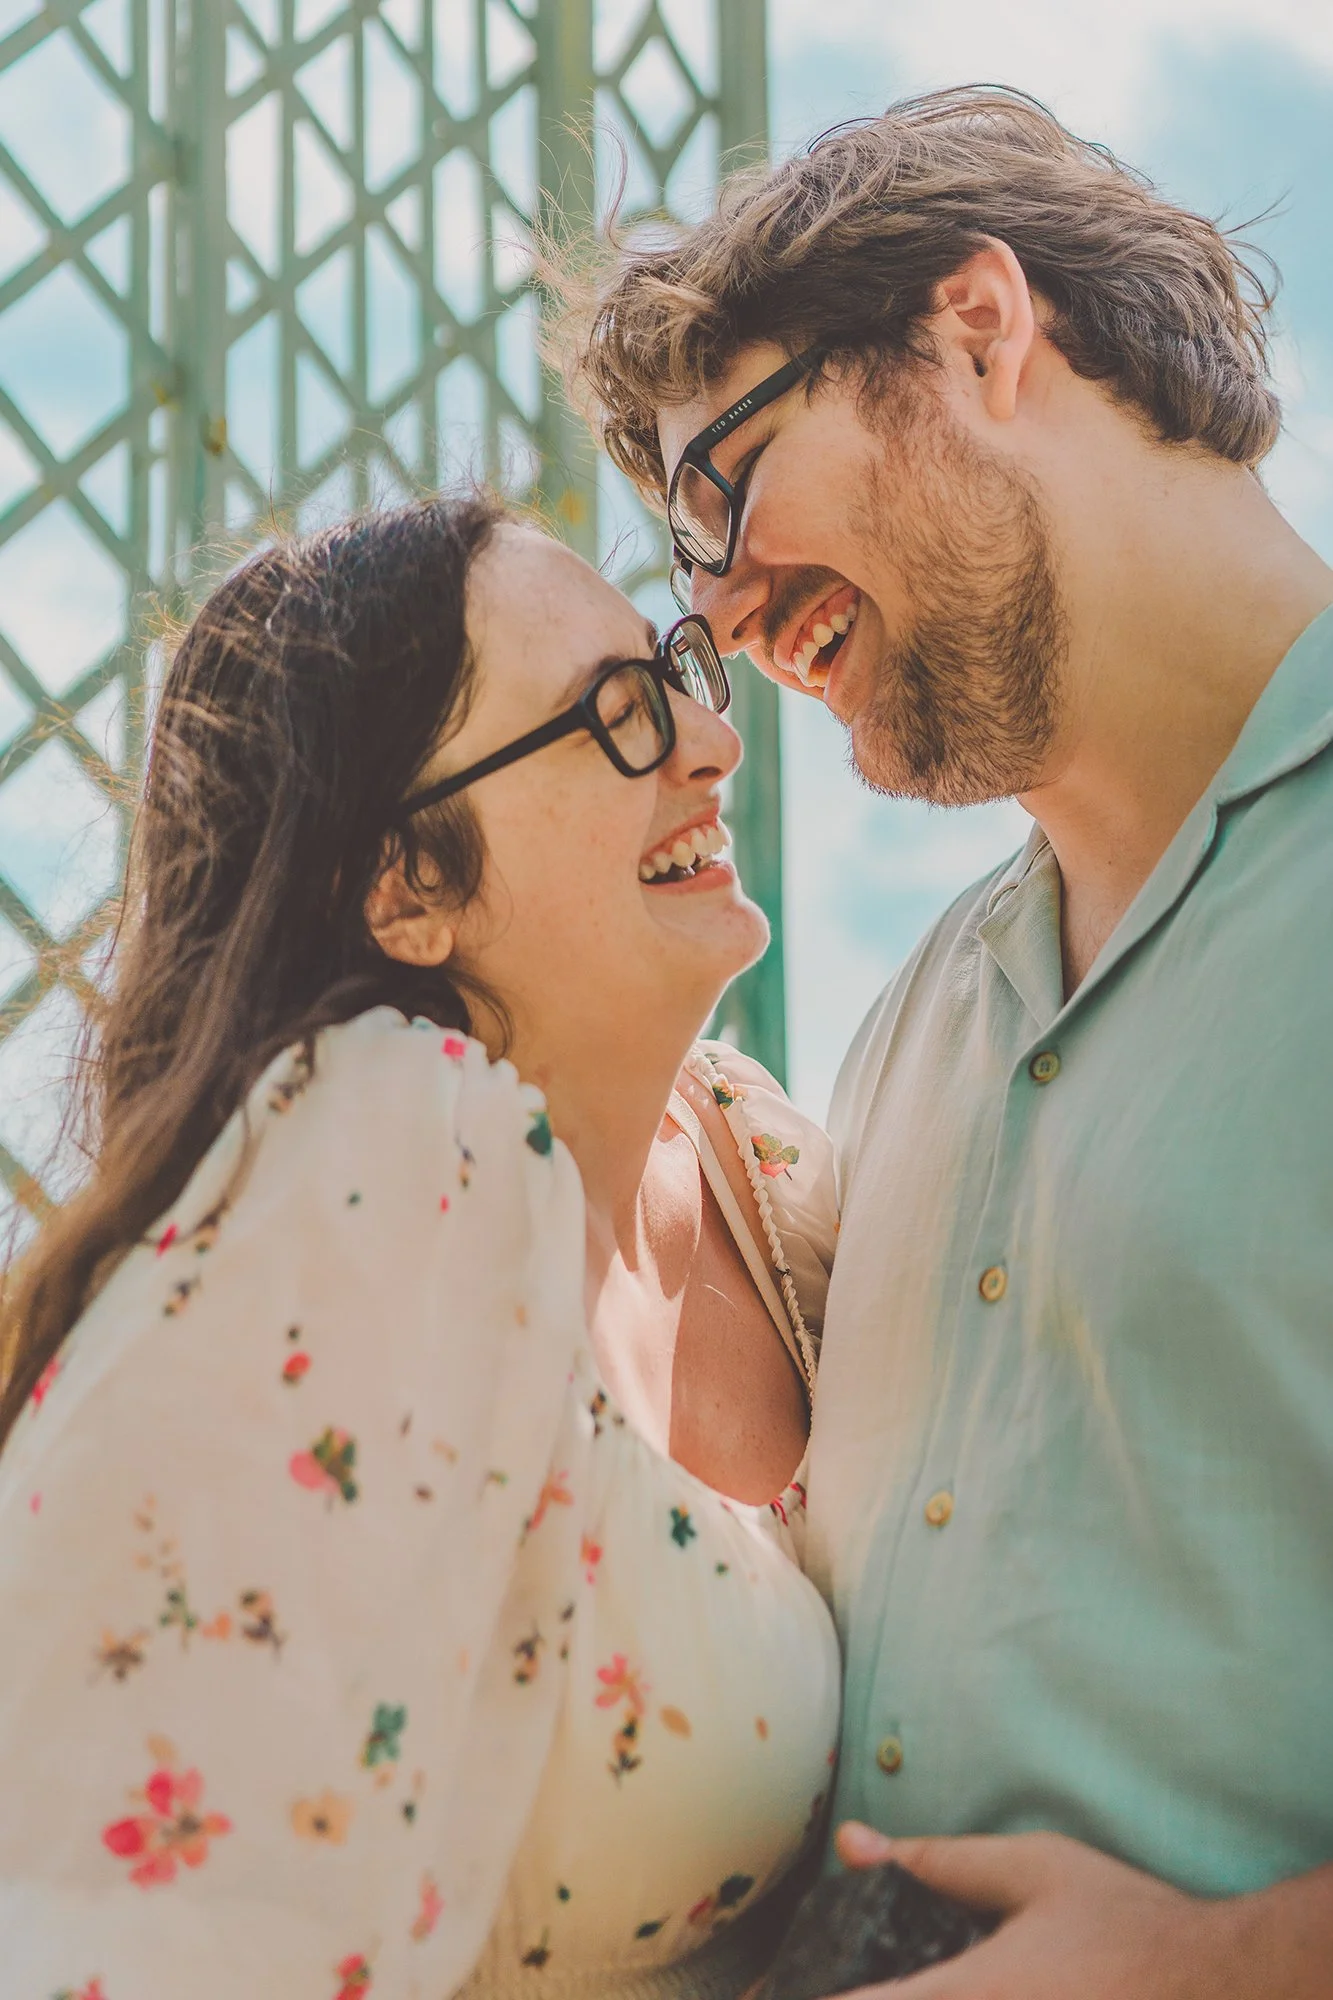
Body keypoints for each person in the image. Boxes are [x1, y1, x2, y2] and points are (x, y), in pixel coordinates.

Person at [565, 83, 1333, 1998]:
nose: (722, 619)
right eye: (683, 569)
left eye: (723, 491)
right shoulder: (907, 1043)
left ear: (979, 330)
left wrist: (1239, 1960)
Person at [0, 494, 843, 1999]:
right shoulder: (379, 1172)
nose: (714, 746)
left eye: (670, 679)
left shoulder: (754, 1154)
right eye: (615, 717)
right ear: (409, 886)